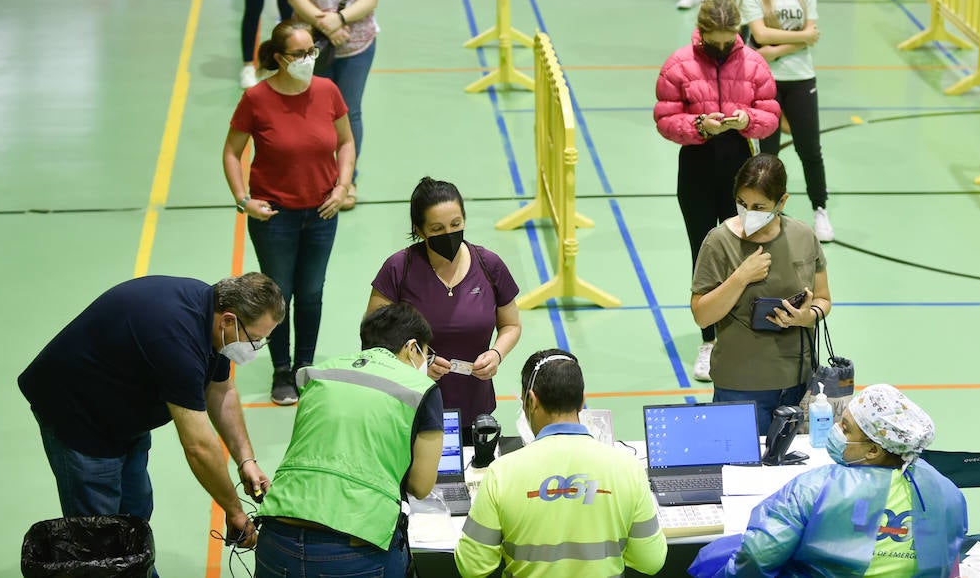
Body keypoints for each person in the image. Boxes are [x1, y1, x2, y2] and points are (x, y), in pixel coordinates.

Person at [18, 273, 285, 560]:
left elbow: (221, 391)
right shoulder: (177, 341)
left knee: (136, 511)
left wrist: (246, 460)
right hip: (79, 416)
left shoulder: (211, 315)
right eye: (255, 339)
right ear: (229, 321)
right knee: (100, 534)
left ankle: (135, 565)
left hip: (124, 411)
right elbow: (198, 446)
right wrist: (234, 511)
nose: (255, 347)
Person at [253, 302, 443, 578]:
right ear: (412, 347)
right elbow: (421, 486)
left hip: (276, 538)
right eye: (428, 353)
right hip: (354, 551)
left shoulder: (320, 373)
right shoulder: (420, 388)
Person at [222, 21, 354, 406]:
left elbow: (345, 142)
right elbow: (232, 151)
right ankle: (281, 368)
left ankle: (304, 366)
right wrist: (243, 199)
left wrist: (342, 186)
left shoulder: (328, 91)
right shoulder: (257, 99)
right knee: (277, 294)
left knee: (311, 292)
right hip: (274, 217)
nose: (308, 59)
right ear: (279, 58)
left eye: (311, 51)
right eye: (299, 54)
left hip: (322, 213)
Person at [454, 349, 668, 578]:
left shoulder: (502, 473)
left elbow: (472, 567)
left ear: (531, 401)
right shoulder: (628, 469)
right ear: (583, 399)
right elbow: (650, 561)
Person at [654, 0, 779, 383]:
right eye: (715, 40)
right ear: (702, 32)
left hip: (739, 169)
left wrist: (747, 119)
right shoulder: (680, 64)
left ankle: (743, 331)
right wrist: (698, 126)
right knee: (705, 251)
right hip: (696, 167)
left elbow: (770, 114)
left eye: (729, 40)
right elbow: (665, 116)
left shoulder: (753, 63)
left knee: (744, 249)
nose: (723, 48)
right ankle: (708, 340)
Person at [719, 384, 967, 577]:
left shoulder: (814, 487)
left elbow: (755, 556)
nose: (836, 429)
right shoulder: (947, 493)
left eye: (846, 428)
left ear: (873, 450)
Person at [690, 153, 832, 436]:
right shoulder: (718, 242)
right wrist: (741, 277)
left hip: (798, 383)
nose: (748, 212)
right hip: (740, 386)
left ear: (782, 202)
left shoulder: (803, 236)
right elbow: (702, 314)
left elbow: (823, 298)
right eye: (742, 204)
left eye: (759, 206)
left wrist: (806, 316)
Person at [367, 177, 522, 436]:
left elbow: (511, 324)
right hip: (410, 409)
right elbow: (373, 339)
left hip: (475, 408)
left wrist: (496, 353)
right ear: (419, 229)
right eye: (437, 229)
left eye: (456, 224)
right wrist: (418, 362)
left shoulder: (489, 265)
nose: (448, 234)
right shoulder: (398, 269)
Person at [282, 0, 380, 210]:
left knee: (350, 111)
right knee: (310, 113)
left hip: (358, 44)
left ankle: (346, 180)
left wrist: (340, 19)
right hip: (311, 46)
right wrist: (324, 23)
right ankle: (311, 175)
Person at [740, 0, 833, 242]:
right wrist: (800, 38)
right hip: (766, 83)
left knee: (810, 148)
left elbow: (809, 34)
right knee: (767, 155)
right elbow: (761, 35)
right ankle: (765, 216)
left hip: (801, 78)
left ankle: (820, 210)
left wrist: (774, 50)